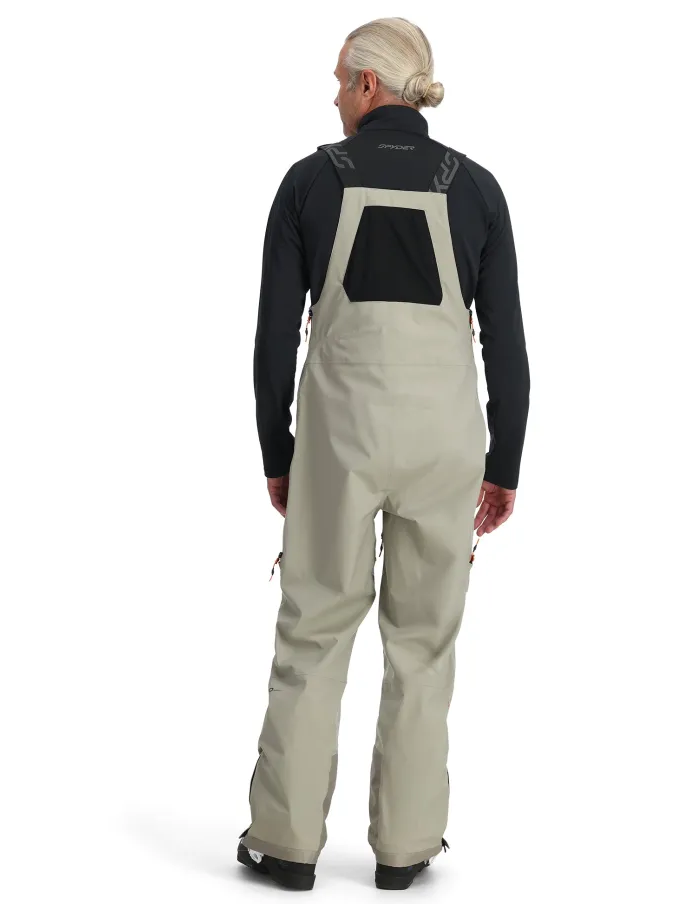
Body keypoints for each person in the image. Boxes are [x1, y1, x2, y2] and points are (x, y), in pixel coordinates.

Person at [239, 17, 530, 891]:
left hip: (340, 441)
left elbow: (272, 341)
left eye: (340, 79)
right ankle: (406, 851)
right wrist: (504, 465)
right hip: (446, 446)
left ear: (369, 85)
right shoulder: (476, 189)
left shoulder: (309, 183)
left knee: (314, 632)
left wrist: (278, 453)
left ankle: (286, 844)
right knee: (424, 647)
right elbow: (507, 347)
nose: (334, 94)